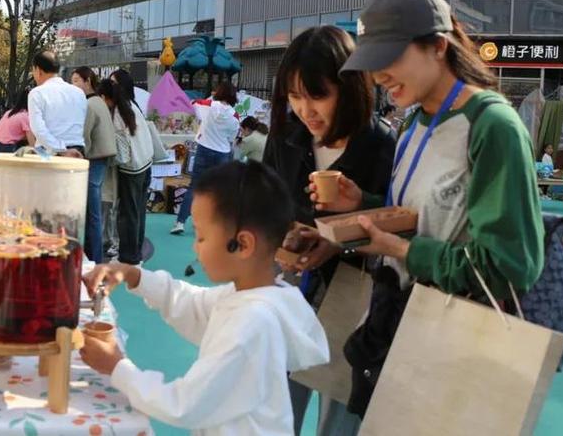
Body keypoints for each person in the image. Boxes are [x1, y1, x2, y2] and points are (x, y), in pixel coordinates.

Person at [309, 0, 543, 419]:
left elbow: (511, 266)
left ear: (438, 46)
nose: (378, 76)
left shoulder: (492, 126)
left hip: (457, 342)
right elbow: (434, 217)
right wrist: (364, 203)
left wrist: (401, 250)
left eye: (389, 58)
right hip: (398, 328)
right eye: (372, 63)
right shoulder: (414, 123)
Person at [79, 160, 329, 434]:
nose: (195, 247)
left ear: (242, 244)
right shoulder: (255, 296)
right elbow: (194, 304)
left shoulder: (254, 322)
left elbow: (186, 405)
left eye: (201, 237)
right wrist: (134, 275)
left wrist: (117, 367)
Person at [263, 25, 395, 435]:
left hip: (355, 302)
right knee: (276, 411)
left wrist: (338, 243)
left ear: (351, 88)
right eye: (295, 96)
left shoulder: (382, 145)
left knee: (337, 419)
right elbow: (267, 203)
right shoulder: (287, 136)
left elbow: (399, 225)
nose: (306, 109)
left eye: (318, 95)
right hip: (288, 290)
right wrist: (283, 235)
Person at [170, 81, 240, 235]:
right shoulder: (234, 115)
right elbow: (232, 137)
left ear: (218, 92)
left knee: (194, 187)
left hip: (203, 149)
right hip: (222, 153)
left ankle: (180, 222)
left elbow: (191, 103)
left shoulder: (208, 105)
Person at [98, 79, 153, 266]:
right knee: (137, 212)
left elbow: (119, 153)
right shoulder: (130, 106)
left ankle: (128, 258)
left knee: (127, 214)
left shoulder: (116, 116)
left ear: (105, 97)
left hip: (131, 169)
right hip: (145, 164)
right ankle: (135, 252)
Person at [72, 67, 117, 263]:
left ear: (87, 80)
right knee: (94, 209)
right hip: (103, 156)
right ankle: (94, 256)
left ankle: (94, 259)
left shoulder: (89, 104)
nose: (73, 85)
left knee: (92, 211)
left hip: (95, 158)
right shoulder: (98, 101)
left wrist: (77, 154)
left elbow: (85, 136)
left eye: (76, 80)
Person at [27, 50, 88, 155]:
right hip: (78, 151)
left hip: (49, 153)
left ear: (38, 70)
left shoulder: (37, 93)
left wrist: (62, 150)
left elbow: (38, 129)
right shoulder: (79, 93)